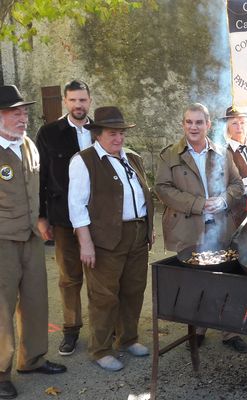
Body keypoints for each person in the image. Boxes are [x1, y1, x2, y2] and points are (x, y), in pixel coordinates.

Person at [154, 103, 247, 353]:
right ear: (183, 124)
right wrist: (198, 204)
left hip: (220, 228)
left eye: (199, 122)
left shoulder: (221, 152)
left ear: (208, 125)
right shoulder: (169, 155)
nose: (193, 127)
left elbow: (238, 185)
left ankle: (230, 332)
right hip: (189, 228)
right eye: (188, 122)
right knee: (194, 284)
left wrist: (225, 199)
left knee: (226, 280)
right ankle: (196, 331)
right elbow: (162, 189)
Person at [68, 106, 154, 371]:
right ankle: (101, 348)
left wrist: (148, 228)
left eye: (120, 133)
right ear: (98, 134)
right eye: (112, 134)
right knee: (104, 296)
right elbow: (76, 205)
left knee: (133, 290)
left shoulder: (132, 158)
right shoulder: (84, 161)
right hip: (104, 238)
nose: (118, 139)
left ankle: (128, 338)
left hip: (137, 233)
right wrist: (86, 243)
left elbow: (143, 195)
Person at [0, 85, 66, 400]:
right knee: (2, 309)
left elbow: (36, 191)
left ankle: (33, 359)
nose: (22, 117)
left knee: (36, 300)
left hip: (31, 237)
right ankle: (1, 372)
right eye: (15, 112)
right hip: (2, 241)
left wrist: (41, 222)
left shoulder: (28, 146)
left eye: (24, 111)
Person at [35, 79, 93, 356]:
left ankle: (106, 327)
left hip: (98, 218)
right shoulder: (48, 133)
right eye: (73, 100)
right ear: (65, 102)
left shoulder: (100, 131)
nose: (78, 105)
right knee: (69, 278)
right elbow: (40, 177)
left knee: (101, 276)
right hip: (63, 217)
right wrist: (41, 216)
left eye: (82, 100)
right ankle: (71, 330)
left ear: (89, 101)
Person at [221, 106, 247, 248]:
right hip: (238, 215)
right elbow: (224, 185)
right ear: (228, 128)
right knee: (240, 254)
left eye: (242, 122)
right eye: (234, 123)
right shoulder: (222, 153)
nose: (239, 127)